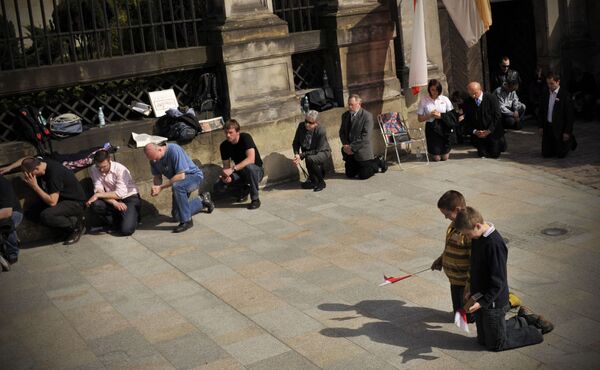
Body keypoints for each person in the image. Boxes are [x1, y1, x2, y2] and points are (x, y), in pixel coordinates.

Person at [455, 207, 553, 351]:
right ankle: (522, 320)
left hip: (493, 301)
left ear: (477, 225)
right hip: (480, 297)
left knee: (495, 344)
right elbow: (476, 267)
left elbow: (498, 281)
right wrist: (471, 289)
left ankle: (535, 330)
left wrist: (482, 302)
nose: (468, 238)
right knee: (482, 340)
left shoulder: (494, 244)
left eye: (468, 234)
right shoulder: (478, 237)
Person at [431, 190, 522, 317]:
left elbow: (473, 260)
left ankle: (509, 301)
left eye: (447, 214)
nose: (445, 218)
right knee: (458, 313)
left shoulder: (470, 232)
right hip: (455, 279)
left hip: (465, 281)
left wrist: (470, 285)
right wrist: (441, 259)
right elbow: (450, 247)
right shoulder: (453, 226)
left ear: (457, 210)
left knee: (469, 315)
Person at [144, 143, 214, 233]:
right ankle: (202, 200)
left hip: (193, 176)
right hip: (178, 182)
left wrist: (161, 187)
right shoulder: (153, 160)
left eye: (155, 158)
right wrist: (156, 186)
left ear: (160, 149)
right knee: (177, 216)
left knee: (177, 186)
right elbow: (157, 176)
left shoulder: (174, 150)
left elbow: (181, 175)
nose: (154, 160)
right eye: (151, 159)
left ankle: (187, 221)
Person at [21, 157, 86, 245]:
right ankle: (65, 230)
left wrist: (35, 186)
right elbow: (27, 158)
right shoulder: (41, 162)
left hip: (75, 202)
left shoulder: (54, 174)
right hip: (61, 200)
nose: (30, 177)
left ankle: (76, 227)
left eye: (31, 174)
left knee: (47, 215)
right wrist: (9, 168)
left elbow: (52, 202)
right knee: (31, 213)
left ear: (36, 168)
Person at [86, 150, 141, 236]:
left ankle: (131, 216)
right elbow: (98, 188)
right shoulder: (94, 169)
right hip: (111, 197)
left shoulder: (120, 169)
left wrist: (98, 195)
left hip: (129, 197)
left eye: (104, 166)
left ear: (109, 160)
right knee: (96, 204)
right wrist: (114, 202)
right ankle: (116, 222)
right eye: (98, 166)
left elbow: (120, 194)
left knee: (126, 230)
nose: (101, 169)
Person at [215, 119, 264, 210]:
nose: (228, 135)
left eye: (230, 132)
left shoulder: (245, 138)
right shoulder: (224, 146)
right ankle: (244, 189)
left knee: (250, 168)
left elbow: (251, 159)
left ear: (237, 132)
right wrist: (227, 177)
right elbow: (226, 167)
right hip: (240, 172)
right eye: (226, 133)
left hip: (256, 171)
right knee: (219, 186)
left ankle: (255, 199)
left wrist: (232, 169)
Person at [339, 94, 386, 179]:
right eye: (348, 104)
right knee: (350, 174)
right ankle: (357, 166)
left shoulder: (367, 116)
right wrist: (345, 145)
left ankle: (377, 161)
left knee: (364, 175)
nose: (349, 107)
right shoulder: (345, 116)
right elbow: (342, 132)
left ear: (359, 104)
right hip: (349, 151)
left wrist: (352, 147)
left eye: (351, 105)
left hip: (362, 150)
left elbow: (365, 137)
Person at [538, 72, 576, 158]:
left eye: (552, 83)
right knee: (546, 154)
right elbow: (541, 111)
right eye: (548, 84)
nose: (549, 86)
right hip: (548, 127)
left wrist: (567, 132)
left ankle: (570, 140)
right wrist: (540, 126)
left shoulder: (565, 95)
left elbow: (570, 116)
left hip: (560, 128)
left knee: (560, 155)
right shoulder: (545, 93)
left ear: (558, 82)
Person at [417, 79, 457, 161]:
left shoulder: (445, 99)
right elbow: (420, 119)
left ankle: (444, 151)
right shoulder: (424, 100)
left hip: (444, 127)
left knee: (445, 158)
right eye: (432, 90)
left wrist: (441, 116)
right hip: (432, 128)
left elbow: (452, 115)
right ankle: (434, 152)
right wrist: (429, 115)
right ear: (429, 89)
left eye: (437, 90)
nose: (435, 92)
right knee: (437, 158)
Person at [292, 110, 332, 192]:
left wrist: (301, 155)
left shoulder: (321, 131)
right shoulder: (301, 126)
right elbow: (296, 142)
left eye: (310, 123)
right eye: (306, 121)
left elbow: (317, 150)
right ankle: (314, 180)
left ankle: (321, 182)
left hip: (322, 151)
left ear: (316, 123)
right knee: (309, 158)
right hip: (309, 151)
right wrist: (296, 154)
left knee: (309, 159)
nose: (307, 124)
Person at [463, 82, 506, 158]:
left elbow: (497, 116)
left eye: (475, 93)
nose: (473, 96)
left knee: (495, 154)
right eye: (471, 94)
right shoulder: (467, 101)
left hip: (492, 131)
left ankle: (501, 142)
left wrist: (489, 130)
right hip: (479, 134)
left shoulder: (491, 98)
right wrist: (475, 131)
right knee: (482, 154)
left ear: (480, 90)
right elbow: (467, 121)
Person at [0, 174, 22, 267]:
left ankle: (12, 253)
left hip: (12, 213)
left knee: (5, 223)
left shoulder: (3, 184)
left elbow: (7, 212)